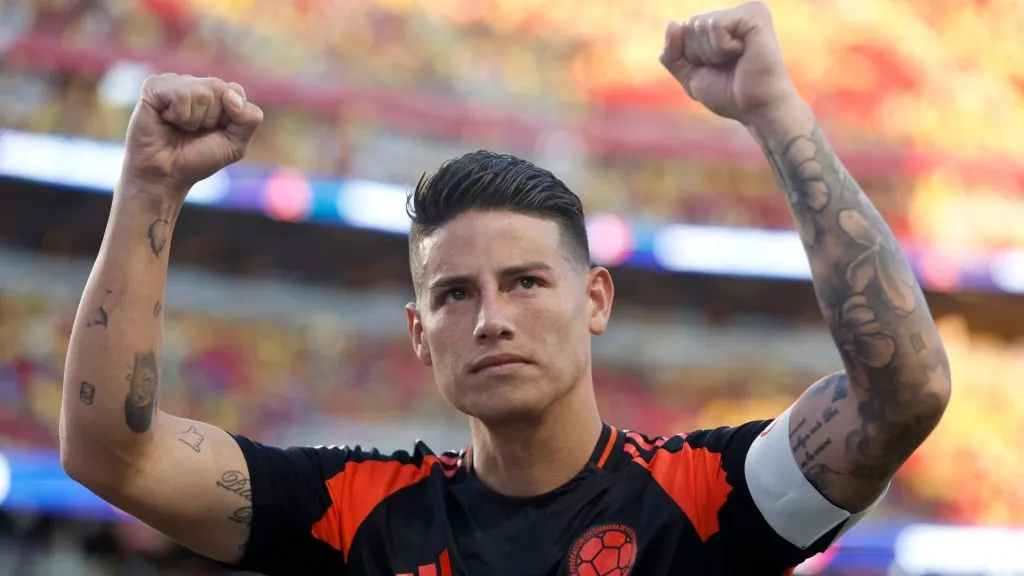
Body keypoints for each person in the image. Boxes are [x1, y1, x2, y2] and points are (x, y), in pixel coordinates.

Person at [59, 3, 951, 575]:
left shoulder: (709, 495)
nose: (491, 319)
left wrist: (777, 112)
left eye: (525, 282)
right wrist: (149, 187)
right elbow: (114, 456)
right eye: (454, 295)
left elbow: (904, 394)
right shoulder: (357, 515)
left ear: (595, 299)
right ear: (418, 332)